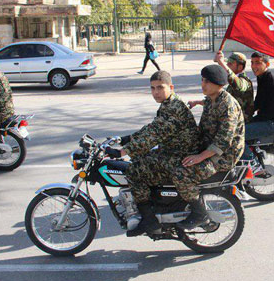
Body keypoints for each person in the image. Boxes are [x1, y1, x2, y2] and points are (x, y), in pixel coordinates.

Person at [105, 70, 200, 236]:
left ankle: (149, 221)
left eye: (160, 87)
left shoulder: (174, 108)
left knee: (134, 171)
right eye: (152, 88)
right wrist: (126, 139)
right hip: (172, 151)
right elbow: (152, 128)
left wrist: (122, 152)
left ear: (171, 87)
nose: (156, 92)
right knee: (139, 159)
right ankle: (153, 206)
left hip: (179, 156)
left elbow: (154, 136)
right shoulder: (168, 104)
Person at [176, 64, 245, 230]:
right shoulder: (212, 99)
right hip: (208, 146)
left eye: (207, 81)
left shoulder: (228, 106)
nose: (203, 84)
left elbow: (223, 141)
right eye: (202, 80)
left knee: (181, 173)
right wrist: (196, 102)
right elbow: (206, 102)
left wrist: (199, 157)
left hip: (224, 156)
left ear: (218, 84)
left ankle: (199, 213)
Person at [188, 51, 255, 122]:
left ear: (240, 67)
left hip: (243, 123)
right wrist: (196, 102)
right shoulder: (231, 83)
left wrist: (221, 62)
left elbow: (238, 85)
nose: (227, 65)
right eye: (227, 63)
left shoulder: (245, 82)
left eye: (230, 64)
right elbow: (218, 101)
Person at [242, 52, 274, 159]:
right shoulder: (262, 78)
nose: (254, 66)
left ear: (267, 64)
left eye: (258, 63)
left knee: (237, 135)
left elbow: (272, 111)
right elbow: (257, 102)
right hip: (265, 120)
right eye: (252, 63)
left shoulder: (272, 81)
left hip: (272, 123)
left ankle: (252, 162)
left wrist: (254, 119)